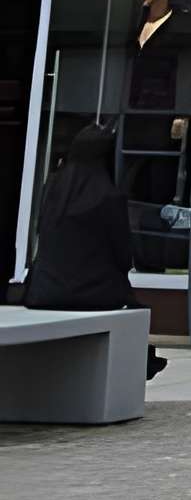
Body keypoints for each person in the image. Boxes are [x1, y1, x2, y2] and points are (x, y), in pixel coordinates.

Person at [23, 124, 166, 379]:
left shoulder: (53, 190)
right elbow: (123, 256)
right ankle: (140, 363)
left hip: (45, 291)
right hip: (95, 294)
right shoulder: (108, 196)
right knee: (130, 301)